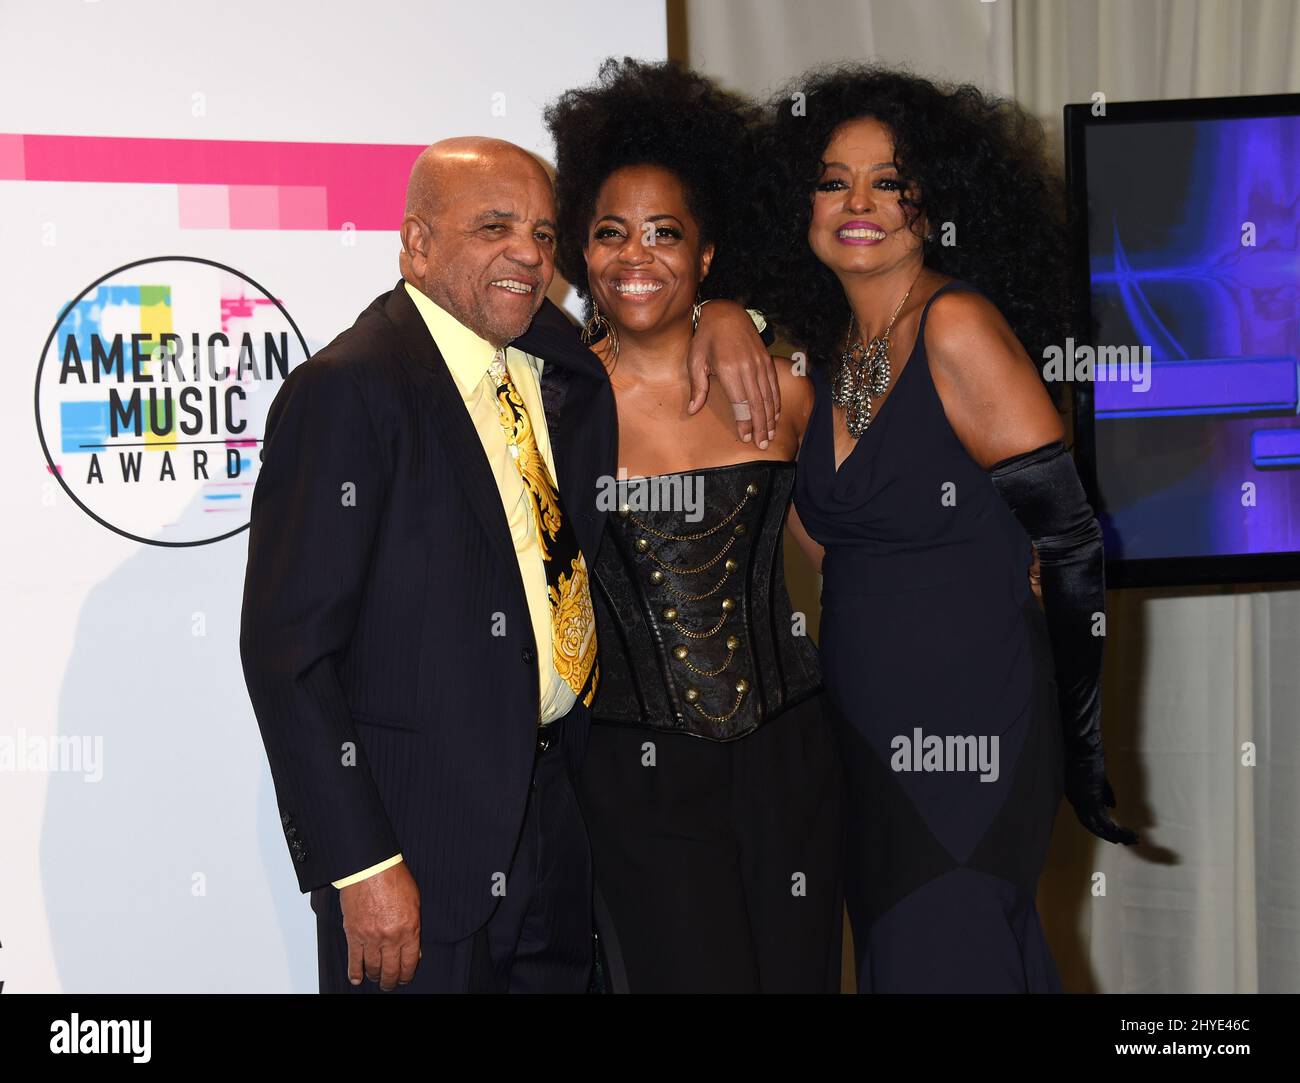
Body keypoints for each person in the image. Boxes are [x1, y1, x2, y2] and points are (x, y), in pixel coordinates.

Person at [239, 135, 780, 993]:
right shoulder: (347, 389)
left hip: (559, 825)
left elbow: (648, 313)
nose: (528, 254)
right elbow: (287, 656)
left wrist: (728, 313)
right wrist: (360, 865)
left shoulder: (551, 361)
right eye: (495, 226)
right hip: (417, 849)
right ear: (416, 242)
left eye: (541, 232)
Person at [753, 65, 1138, 993]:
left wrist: (1082, 749)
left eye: (889, 181)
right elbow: (837, 548)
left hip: (973, 735)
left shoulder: (956, 324)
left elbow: (1074, 546)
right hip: (865, 739)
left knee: (949, 946)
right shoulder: (832, 356)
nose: (858, 202)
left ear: (936, 203)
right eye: (832, 180)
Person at [545, 58, 843, 993]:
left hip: (791, 762)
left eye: (665, 234)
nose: (637, 256)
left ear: (708, 253)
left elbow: (854, 549)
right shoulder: (553, 411)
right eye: (610, 233)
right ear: (581, 255)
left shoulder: (784, 387)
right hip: (638, 775)